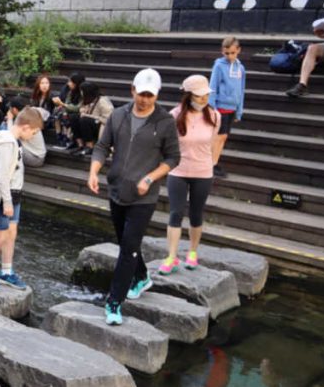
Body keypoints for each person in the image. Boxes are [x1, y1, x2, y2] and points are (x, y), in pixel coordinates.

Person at [88, 68, 180, 326]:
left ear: (157, 95)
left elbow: (173, 158)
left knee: (128, 246)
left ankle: (114, 302)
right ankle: (141, 277)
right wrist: (94, 171)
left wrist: (151, 177)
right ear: (133, 90)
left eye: (150, 95)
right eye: (141, 94)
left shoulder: (164, 122)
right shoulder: (118, 115)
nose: (145, 99)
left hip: (144, 196)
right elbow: (102, 147)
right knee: (126, 244)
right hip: (117, 189)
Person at [0, 107, 45, 292]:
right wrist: (6, 201)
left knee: (11, 234)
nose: (33, 135)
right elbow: (1, 174)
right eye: (34, 132)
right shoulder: (8, 142)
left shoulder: (14, 138)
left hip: (15, 193)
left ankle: (6, 271)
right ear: (25, 127)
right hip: (3, 196)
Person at [159, 75, 219, 275]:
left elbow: (213, 143)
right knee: (176, 212)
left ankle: (192, 252)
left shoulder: (214, 116)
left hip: (203, 172)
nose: (204, 99)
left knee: (196, 213)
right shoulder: (174, 115)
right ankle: (171, 256)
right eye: (199, 96)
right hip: (178, 170)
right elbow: (166, 144)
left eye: (205, 95)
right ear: (188, 95)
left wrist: (212, 163)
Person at [208, 36, 244, 178]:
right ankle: (211, 164)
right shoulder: (219, 65)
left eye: (232, 53)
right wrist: (212, 107)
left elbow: (241, 89)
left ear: (238, 50)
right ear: (222, 52)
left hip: (232, 108)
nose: (229, 56)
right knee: (218, 136)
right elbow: (213, 86)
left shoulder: (240, 68)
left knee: (223, 137)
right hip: (220, 107)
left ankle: (214, 162)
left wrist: (239, 111)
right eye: (226, 53)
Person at [67, 81, 114, 157]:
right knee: (74, 117)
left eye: (82, 91)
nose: (81, 93)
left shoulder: (102, 101)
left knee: (84, 119)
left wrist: (89, 116)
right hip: (89, 125)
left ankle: (90, 146)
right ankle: (80, 144)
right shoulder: (87, 100)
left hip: (102, 127)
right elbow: (82, 111)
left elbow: (109, 119)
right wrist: (82, 111)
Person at [6, 95, 46, 168]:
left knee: (10, 146)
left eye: (10, 108)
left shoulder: (23, 120)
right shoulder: (30, 115)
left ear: (14, 109)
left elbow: (11, 137)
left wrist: (10, 119)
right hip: (36, 155)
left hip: (35, 158)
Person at [51, 72, 84, 149]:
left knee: (67, 116)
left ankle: (68, 138)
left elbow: (78, 108)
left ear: (76, 83)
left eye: (70, 82)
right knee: (58, 112)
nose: (68, 84)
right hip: (70, 111)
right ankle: (60, 136)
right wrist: (59, 104)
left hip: (80, 113)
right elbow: (67, 102)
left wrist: (62, 104)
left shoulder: (83, 93)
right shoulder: (70, 91)